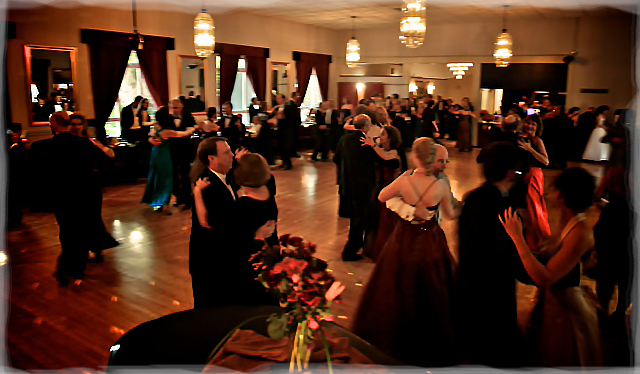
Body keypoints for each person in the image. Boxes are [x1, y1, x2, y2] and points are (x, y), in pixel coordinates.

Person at [354, 137, 460, 371]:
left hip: (403, 237)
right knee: (433, 285)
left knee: (396, 280)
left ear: (415, 157)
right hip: (430, 237)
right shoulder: (441, 185)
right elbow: (450, 214)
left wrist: (407, 207)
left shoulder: (403, 180)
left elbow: (382, 197)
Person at [500, 167, 602, 374]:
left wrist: (517, 237)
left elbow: (544, 277)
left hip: (568, 310)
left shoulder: (580, 232)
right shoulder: (568, 220)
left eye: (554, 189)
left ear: (562, 196)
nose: (549, 193)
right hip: (555, 302)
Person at [455, 141, 530, 373]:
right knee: (491, 340)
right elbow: (503, 249)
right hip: (491, 283)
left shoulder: (475, 197)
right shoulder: (500, 205)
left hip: (471, 278)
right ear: (509, 172)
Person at [38, 114, 118, 285]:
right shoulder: (84, 144)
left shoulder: (46, 146)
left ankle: (66, 268)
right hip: (86, 194)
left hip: (63, 196)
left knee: (67, 232)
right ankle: (76, 269)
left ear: (54, 124)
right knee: (80, 231)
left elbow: (43, 174)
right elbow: (107, 157)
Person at [192, 151, 278, 307]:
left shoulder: (241, 208)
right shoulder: (269, 191)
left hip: (247, 266)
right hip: (268, 258)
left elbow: (205, 222)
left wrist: (197, 192)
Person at [594, 139, 640, 334]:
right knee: (629, 275)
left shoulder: (613, 173)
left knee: (605, 273)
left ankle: (602, 310)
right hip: (635, 230)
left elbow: (597, 196)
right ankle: (620, 313)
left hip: (610, 224)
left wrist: (607, 204)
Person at [189, 137, 237, 307]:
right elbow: (210, 223)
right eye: (227, 152)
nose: (232, 155)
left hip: (217, 258)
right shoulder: (207, 184)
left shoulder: (224, 176)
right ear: (212, 158)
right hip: (210, 261)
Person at [333, 114, 380, 261]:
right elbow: (377, 161)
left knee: (356, 217)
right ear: (366, 126)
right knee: (359, 218)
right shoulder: (365, 142)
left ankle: (358, 246)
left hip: (347, 183)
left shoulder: (344, 139)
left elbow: (336, 158)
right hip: (362, 185)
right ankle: (350, 251)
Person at [362, 125, 403, 260]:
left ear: (390, 138)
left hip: (390, 194)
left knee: (386, 222)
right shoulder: (381, 151)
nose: (380, 137)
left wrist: (373, 146)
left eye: (383, 134)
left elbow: (385, 160)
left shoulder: (395, 154)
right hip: (378, 191)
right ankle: (371, 248)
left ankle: (384, 252)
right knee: (374, 221)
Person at [518, 115, 551, 249]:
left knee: (534, 207)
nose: (530, 126)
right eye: (528, 123)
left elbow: (546, 161)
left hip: (534, 176)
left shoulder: (537, 140)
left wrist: (530, 149)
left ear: (538, 127)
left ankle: (537, 239)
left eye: (533, 124)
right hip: (523, 174)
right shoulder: (520, 138)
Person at [142, 107, 177, 213]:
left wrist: (151, 140)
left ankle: (157, 202)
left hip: (154, 154)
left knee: (156, 177)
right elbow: (182, 134)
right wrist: (193, 128)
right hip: (163, 156)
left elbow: (149, 136)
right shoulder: (167, 131)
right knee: (166, 179)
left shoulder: (155, 127)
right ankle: (164, 203)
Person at [169, 99, 196, 209]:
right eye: (173, 108)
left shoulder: (189, 118)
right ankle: (179, 198)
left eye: (176, 107)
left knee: (185, 176)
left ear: (181, 108)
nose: (174, 110)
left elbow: (190, 131)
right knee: (174, 176)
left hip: (185, 151)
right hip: (172, 151)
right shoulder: (168, 119)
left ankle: (188, 200)